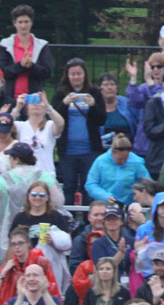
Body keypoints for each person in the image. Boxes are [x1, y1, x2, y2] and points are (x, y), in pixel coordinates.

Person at [0, 141, 62, 266]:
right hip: (41, 229)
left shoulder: (6, 178)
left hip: (11, 227)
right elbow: (59, 201)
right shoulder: (43, 175)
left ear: (16, 159)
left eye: (11, 157)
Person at [52, 58, 107, 203]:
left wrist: (93, 106)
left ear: (85, 75)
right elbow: (53, 117)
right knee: (69, 186)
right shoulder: (60, 94)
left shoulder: (94, 93)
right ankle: (69, 218)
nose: (76, 77)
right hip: (68, 150)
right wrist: (64, 104)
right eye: (73, 74)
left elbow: (101, 120)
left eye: (79, 73)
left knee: (88, 186)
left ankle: (89, 220)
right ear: (67, 76)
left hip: (89, 150)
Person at [0, 226, 61, 305]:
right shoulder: (7, 266)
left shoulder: (41, 262)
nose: (17, 247)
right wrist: (3, 272)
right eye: (13, 244)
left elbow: (52, 289)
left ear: (28, 244)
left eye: (20, 243)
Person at [0, 4, 53, 101]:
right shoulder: (5, 44)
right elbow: (1, 72)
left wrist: (31, 66)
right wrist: (20, 65)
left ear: (31, 22)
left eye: (26, 22)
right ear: (14, 23)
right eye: (20, 22)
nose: (23, 25)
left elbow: (46, 73)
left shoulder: (42, 45)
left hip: (34, 99)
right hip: (10, 98)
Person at [85, 134, 151, 206]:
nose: (123, 162)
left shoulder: (136, 162)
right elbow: (91, 184)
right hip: (105, 205)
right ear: (112, 152)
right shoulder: (100, 161)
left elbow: (147, 183)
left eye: (126, 158)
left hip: (130, 206)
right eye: (120, 159)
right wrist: (105, 196)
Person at [9, 90, 63, 175]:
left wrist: (48, 107)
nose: (36, 104)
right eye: (32, 101)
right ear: (27, 108)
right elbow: (6, 124)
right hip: (26, 175)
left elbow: (61, 124)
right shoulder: (21, 126)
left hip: (46, 175)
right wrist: (18, 107)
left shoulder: (49, 125)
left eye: (39, 101)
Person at [98, 72, 135, 144]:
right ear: (100, 89)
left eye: (112, 84)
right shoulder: (96, 106)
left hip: (127, 146)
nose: (109, 88)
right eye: (105, 85)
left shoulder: (127, 103)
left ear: (116, 88)